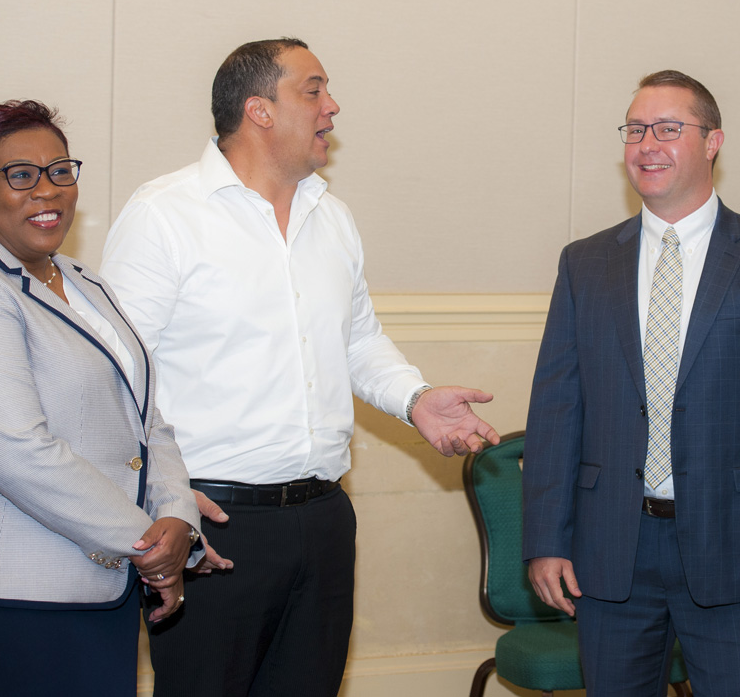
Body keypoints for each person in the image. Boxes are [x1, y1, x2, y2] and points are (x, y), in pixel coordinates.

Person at [99, 37, 499, 697]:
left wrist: (415, 399)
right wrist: (158, 496)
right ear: (259, 110)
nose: (332, 106)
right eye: (313, 91)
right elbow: (115, 373)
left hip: (323, 520)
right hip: (211, 524)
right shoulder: (164, 215)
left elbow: (358, 343)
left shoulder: (331, 217)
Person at [522, 70, 740, 696]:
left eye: (668, 129)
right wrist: (545, 540)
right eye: (635, 129)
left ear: (713, 141)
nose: (648, 145)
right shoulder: (584, 263)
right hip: (610, 551)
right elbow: (557, 411)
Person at [0, 100, 202, 697]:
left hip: (102, 586)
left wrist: (179, 515)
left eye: (59, 171)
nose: (46, 189)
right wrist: (150, 543)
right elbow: (15, 452)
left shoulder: (84, 281)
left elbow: (147, 419)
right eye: (19, 175)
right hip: (10, 597)